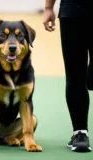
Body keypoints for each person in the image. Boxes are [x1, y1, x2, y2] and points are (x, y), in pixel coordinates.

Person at [43, 0, 93, 152]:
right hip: (72, 9)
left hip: (72, 11)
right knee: (75, 73)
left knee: (82, 77)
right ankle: (80, 133)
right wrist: (48, 7)